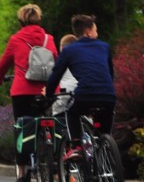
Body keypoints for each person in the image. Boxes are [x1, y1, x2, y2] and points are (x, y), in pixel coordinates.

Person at [0, 4, 58, 182]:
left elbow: (4, 63)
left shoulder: (16, 39)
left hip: (22, 91)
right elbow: (57, 63)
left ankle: (22, 174)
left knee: (21, 129)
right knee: (47, 121)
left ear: (21, 20)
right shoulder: (49, 39)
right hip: (46, 90)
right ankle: (51, 157)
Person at [46, 15, 115, 160]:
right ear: (88, 31)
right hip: (108, 96)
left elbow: (55, 76)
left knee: (71, 112)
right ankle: (106, 150)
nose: (97, 33)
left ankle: (76, 146)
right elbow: (110, 73)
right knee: (103, 135)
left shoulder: (69, 51)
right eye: (96, 29)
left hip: (85, 95)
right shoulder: (104, 47)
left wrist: (49, 94)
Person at [51, 34, 78, 117]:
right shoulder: (82, 61)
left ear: (62, 48)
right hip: (79, 96)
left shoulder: (60, 62)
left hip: (63, 98)